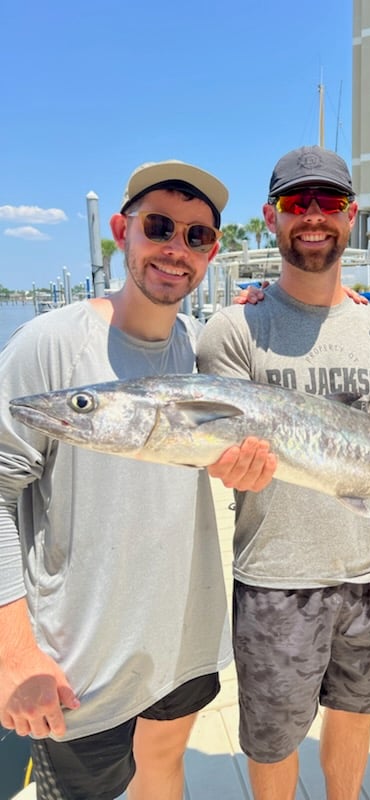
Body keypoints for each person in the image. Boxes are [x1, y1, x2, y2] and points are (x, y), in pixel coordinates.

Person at [0, 159, 276, 800]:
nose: (176, 249)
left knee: (163, 773)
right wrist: (13, 651)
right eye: (159, 227)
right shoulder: (47, 345)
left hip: (180, 638)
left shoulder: (203, 348)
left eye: (197, 236)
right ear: (123, 231)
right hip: (76, 656)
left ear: (212, 253)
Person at [195, 145, 370, 800]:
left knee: (354, 719)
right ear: (272, 217)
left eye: (329, 203)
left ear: (352, 217)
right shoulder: (234, 328)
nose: (313, 217)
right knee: (274, 740)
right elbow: (222, 456)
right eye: (298, 203)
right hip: (276, 579)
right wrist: (231, 468)